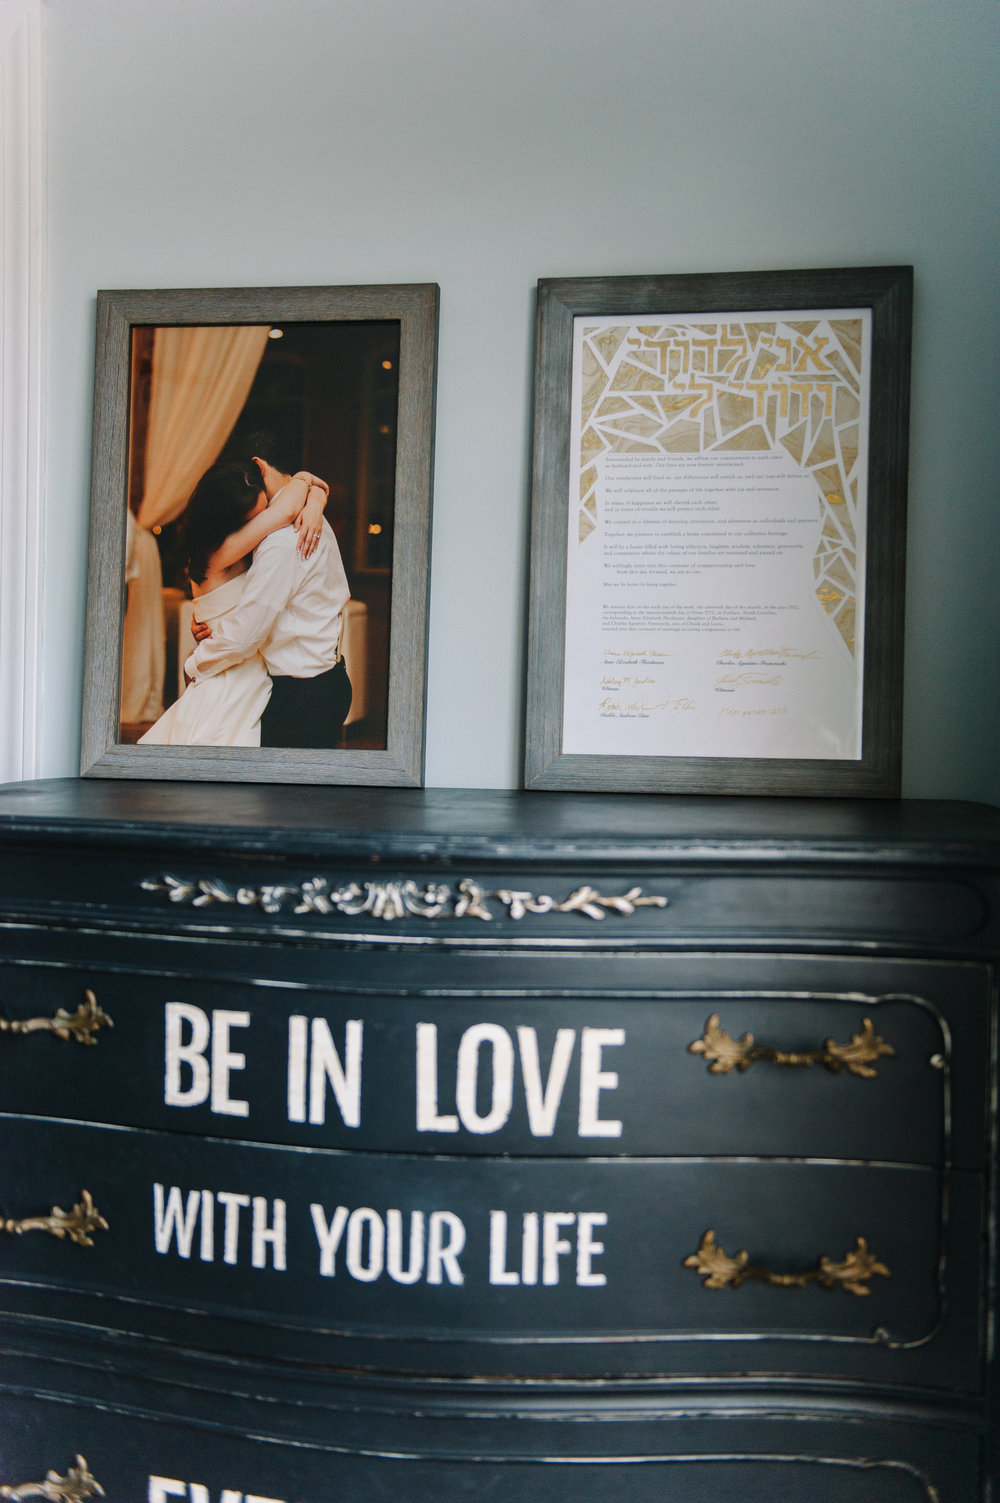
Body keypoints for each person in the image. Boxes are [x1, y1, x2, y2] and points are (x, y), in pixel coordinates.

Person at [139, 460, 327, 746]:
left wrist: (315, 499)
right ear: (229, 521)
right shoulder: (222, 552)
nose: (266, 520)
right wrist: (308, 483)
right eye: (255, 518)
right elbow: (286, 510)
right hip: (230, 682)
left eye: (264, 510)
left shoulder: (220, 549)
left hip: (237, 673)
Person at [185, 432, 352, 748]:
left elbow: (246, 634)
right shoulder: (296, 521)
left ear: (257, 467)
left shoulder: (283, 538)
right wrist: (312, 490)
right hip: (309, 684)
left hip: (301, 695)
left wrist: (193, 663)